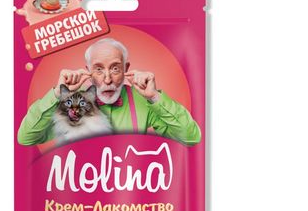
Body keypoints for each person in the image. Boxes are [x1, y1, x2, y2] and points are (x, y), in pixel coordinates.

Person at [17, 37, 201, 146]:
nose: (107, 79)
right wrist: (57, 94)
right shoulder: (71, 106)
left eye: (115, 68)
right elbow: (26, 138)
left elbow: (191, 137)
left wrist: (155, 97)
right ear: (88, 71)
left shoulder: (144, 102)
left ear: (125, 69)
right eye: (98, 69)